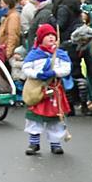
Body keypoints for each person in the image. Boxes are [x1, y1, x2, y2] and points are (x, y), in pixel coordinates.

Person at [21, 23, 71, 155]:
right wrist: (37, 74)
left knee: (55, 119)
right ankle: (34, 143)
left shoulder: (60, 54)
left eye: (53, 35)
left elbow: (66, 69)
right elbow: (26, 68)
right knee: (34, 118)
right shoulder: (34, 54)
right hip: (38, 89)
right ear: (40, 38)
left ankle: (55, 144)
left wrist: (54, 72)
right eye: (47, 35)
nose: (51, 37)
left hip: (54, 91)